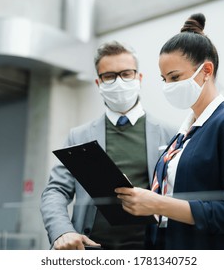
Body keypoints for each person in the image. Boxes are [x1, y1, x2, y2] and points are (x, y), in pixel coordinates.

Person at [115, 13, 224, 250]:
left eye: (175, 77)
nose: (168, 86)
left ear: (206, 70)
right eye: (164, 79)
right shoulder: (181, 136)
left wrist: (159, 204)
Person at [40, 41, 175, 250]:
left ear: (139, 78)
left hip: (149, 251)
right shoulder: (79, 136)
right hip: (91, 250)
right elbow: (56, 190)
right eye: (109, 76)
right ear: (98, 83)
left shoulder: (170, 134)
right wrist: (62, 231)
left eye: (126, 74)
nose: (119, 82)